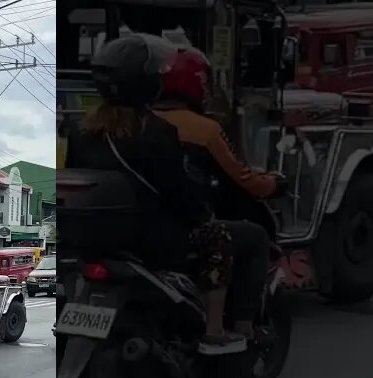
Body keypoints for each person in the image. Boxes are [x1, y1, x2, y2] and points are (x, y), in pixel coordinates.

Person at [65, 34, 247, 355]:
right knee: (226, 235)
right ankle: (215, 330)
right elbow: (179, 193)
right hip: (153, 244)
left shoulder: (81, 131)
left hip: (99, 242)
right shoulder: (157, 131)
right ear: (147, 83)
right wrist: (203, 214)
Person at [153, 46, 281, 342]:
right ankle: (240, 326)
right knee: (255, 237)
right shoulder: (205, 130)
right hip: (182, 224)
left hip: (142, 224)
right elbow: (243, 178)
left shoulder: (138, 123)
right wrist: (274, 184)